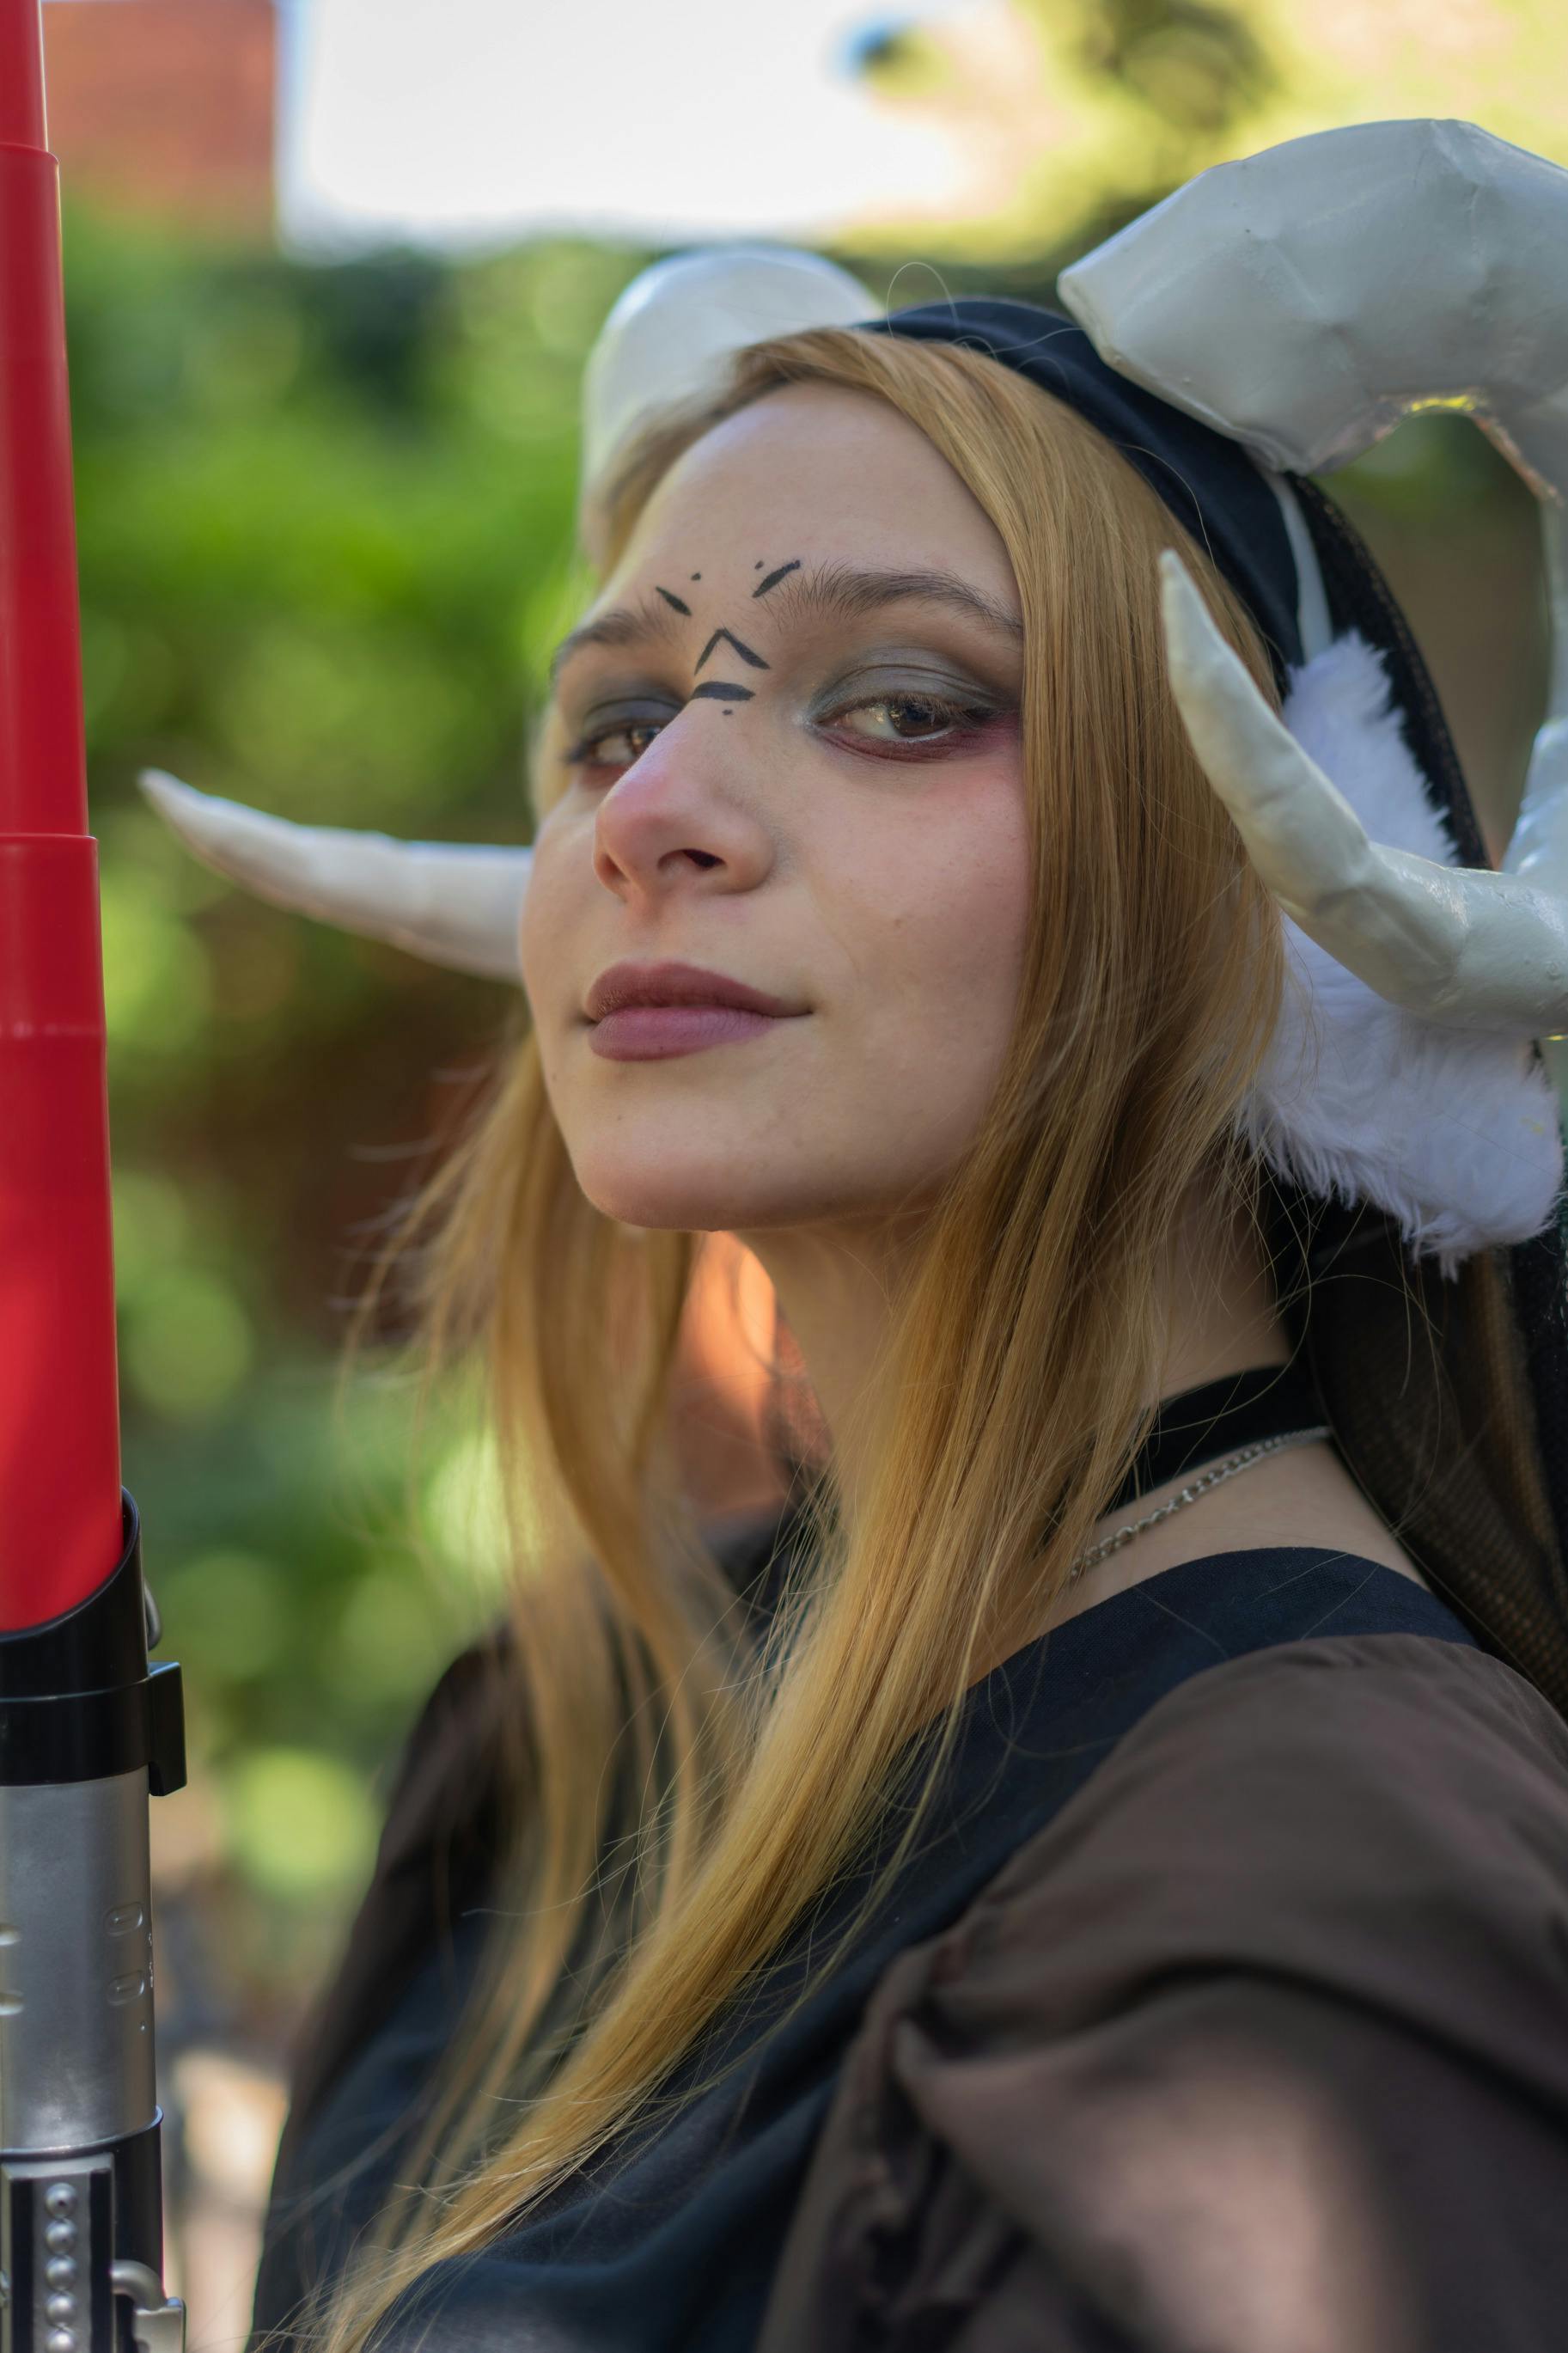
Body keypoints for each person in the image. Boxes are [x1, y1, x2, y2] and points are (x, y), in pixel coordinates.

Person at [152, 122, 1568, 2353]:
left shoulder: (1310, 1897)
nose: (650, 815)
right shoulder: (569, 1742)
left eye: (902, 703)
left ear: (1279, 922)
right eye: (613, 717)